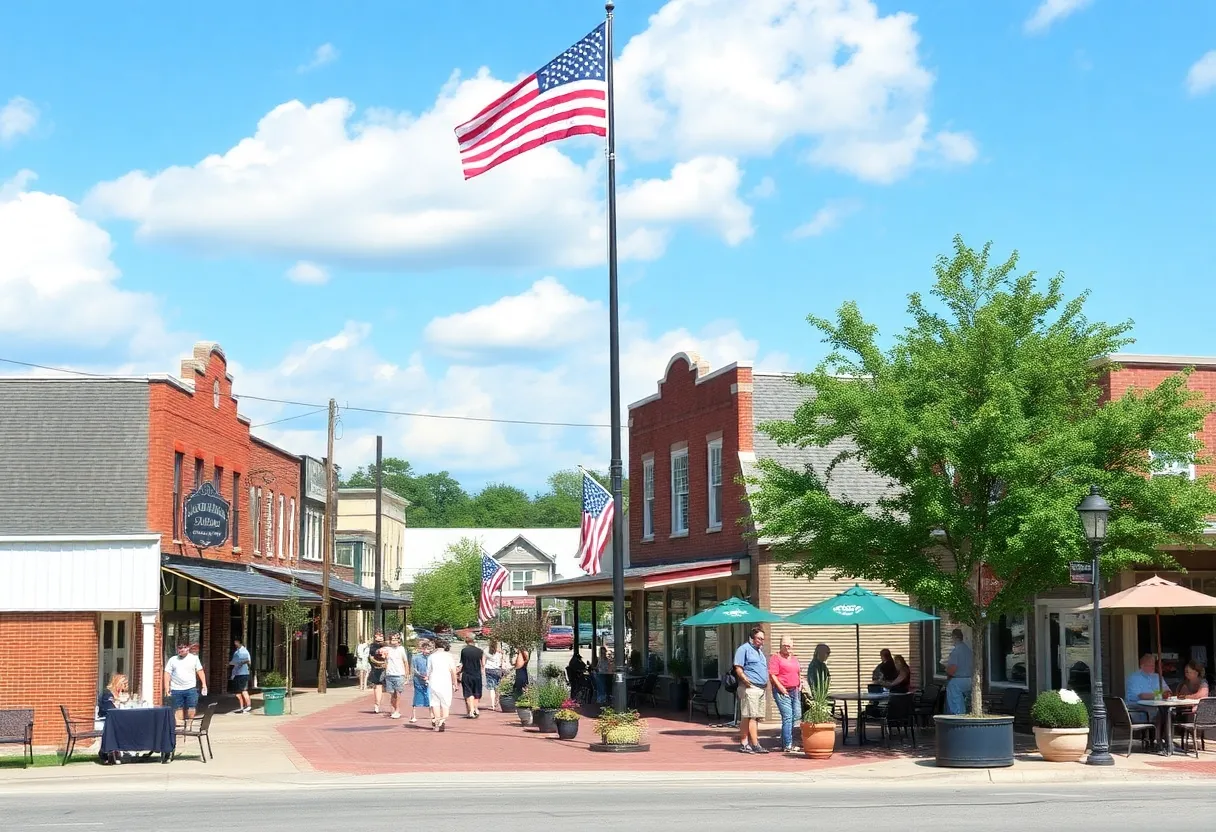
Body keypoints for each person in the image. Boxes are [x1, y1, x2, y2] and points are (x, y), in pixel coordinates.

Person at [733, 626, 770, 754]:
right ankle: (755, 744)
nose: (762, 641)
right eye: (759, 638)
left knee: (750, 716)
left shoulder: (759, 651)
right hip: (750, 687)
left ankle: (744, 743)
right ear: (752, 638)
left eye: (763, 639)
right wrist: (744, 679)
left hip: (761, 688)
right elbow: (738, 667)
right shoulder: (744, 649)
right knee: (751, 716)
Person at [768, 635, 803, 753]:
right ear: (781, 645)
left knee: (797, 715)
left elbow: (798, 671)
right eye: (785, 645)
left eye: (790, 645)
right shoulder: (776, 658)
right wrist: (781, 688)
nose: (788, 647)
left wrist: (800, 683)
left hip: (795, 690)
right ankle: (787, 744)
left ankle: (785, 739)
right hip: (782, 691)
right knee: (788, 716)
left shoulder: (794, 658)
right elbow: (772, 675)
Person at [164, 642, 207, 725]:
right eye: (179, 648)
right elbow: (167, 673)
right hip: (176, 688)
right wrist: (167, 687)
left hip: (191, 688)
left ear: (188, 648)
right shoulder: (172, 660)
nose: (180, 650)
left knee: (191, 707)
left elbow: (200, 671)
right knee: (178, 708)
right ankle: (180, 724)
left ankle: (190, 723)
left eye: (183, 648)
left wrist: (204, 684)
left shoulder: (194, 658)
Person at [1126, 653, 1170, 726]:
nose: (1152, 667)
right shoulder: (1134, 678)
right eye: (1150, 665)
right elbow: (1142, 696)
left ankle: (1164, 734)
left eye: (1153, 665)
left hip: (1155, 705)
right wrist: (1160, 695)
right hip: (1136, 708)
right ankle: (1156, 734)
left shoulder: (1157, 677)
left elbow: (1168, 691)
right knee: (1158, 711)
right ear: (1142, 666)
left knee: (1168, 711)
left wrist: (1167, 693)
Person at [97, 673, 128, 764]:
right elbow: (108, 709)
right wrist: (119, 701)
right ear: (118, 683)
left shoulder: (119, 694)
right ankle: (109, 753)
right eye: (124, 684)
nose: (126, 687)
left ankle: (121, 751)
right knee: (118, 728)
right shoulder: (108, 694)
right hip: (104, 720)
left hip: (114, 720)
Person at [428, 640, 459, 731]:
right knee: (446, 702)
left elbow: (428, 670)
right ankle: (443, 719)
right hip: (445, 680)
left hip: (433, 680)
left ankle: (437, 719)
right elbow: (453, 671)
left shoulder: (431, 656)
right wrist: (455, 683)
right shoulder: (449, 656)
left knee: (435, 702)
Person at [944, 628, 973, 715]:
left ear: (955, 637)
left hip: (959, 680)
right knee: (968, 701)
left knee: (955, 700)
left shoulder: (956, 651)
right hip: (970, 679)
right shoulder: (968, 650)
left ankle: (958, 716)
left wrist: (946, 669)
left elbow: (952, 669)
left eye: (952, 637)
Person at [383, 633, 409, 719]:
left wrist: (406, 674)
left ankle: (397, 710)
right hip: (390, 674)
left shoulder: (401, 649)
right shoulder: (388, 649)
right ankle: (393, 709)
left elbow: (405, 661)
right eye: (392, 639)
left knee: (398, 693)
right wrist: (386, 670)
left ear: (399, 640)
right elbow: (385, 660)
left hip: (399, 674)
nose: (393, 641)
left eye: (395, 639)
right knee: (391, 694)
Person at [458, 635, 485, 718]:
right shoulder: (480, 651)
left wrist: (459, 672)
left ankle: (471, 710)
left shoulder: (464, 651)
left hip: (467, 674)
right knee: (476, 693)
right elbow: (483, 664)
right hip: (477, 674)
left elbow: (462, 663)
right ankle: (475, 709)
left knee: (468, 693)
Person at [410, 640, 432, 723]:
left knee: (430, 697)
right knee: (417, 697)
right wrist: (421, 675)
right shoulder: (416, 657)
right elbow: (414, 669)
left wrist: (429, 676)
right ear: (422, 649)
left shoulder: (432, 657)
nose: (427, 651)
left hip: (429, 680)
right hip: (418, 680)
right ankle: (413, 715)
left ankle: (432, 715)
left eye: (429, 649)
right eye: (425, 649)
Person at [229, 638, 252, 714]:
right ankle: (242, 707)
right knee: (238, 692)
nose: (235, 644)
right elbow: (234, 662)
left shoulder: (243, 651)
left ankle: (248, 706)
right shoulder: (237, 652)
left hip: (242, 674)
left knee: (243, 690)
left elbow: (248, 661)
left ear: (239, 642)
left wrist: (240, 663)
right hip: (237, 673)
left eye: (236, 642)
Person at [367, 631, 387, 714]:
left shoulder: (388, 645)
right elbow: (373, 655)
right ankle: (377, 704)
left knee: (392, 689)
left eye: (381, 636)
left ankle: (394, 707)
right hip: (378, 669)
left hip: (389, 669)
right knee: (378, 686)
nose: (379, 638)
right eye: (377, 636)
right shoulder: (373, 646)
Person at [485, 640, 507, 711]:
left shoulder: (486, 650)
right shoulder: (500, 652)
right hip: (497, 670)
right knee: (497, 686)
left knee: (491, 688)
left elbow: (483, 661)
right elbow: (503, 661)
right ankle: (496, 701)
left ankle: (492, 704)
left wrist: (483, 668)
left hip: (488, 669)